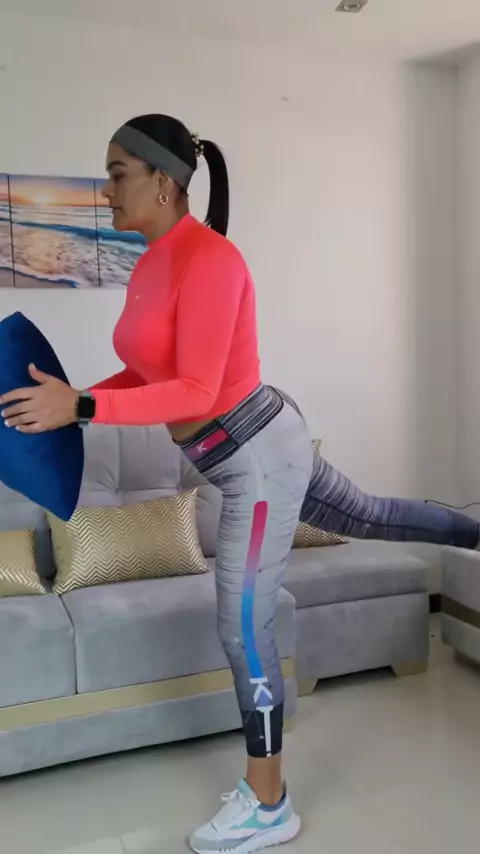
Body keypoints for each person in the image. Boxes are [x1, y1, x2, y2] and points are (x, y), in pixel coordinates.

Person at [1, 114, 478, 854]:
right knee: (374, 516)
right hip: (247, 448)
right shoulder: (152, 262)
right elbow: (147, 372)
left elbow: (195, 391)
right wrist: (72, 401)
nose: (106, 189)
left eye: (118, 173)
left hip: (254, 455)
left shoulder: (212, 260)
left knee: (241, 622)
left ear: (164, 182)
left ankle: (268, 802)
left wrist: (84, 408)